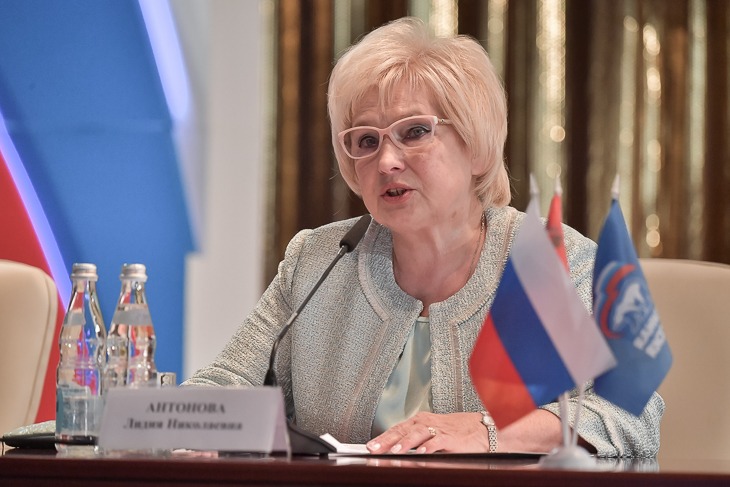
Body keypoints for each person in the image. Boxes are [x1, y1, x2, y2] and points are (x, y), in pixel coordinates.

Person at [184, 17, 663, 457]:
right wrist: (190, 430)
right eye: (366, 140)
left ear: (476, 145)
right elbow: (224, 382)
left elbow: (633, 412)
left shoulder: (551, 261)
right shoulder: (317, 260)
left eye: (414, 132)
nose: (387, 161)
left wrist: (486, 432)